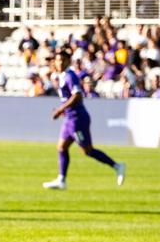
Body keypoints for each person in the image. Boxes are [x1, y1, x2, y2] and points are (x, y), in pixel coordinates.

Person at [43, 50, 125, 190]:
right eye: (58, 60)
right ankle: (61, 179)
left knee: (87, 150)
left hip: (77, 119)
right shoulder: (61, 76)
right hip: (69, 118)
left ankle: (117, 166)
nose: (60, 62)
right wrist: (64, 110)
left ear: (68, 61)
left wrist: (61, 109)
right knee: (61, 147)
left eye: (63, 59)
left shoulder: (70, 76)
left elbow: (78, 95)